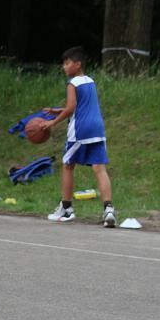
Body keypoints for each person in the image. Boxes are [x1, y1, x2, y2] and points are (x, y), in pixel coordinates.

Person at [29, 46, 115, 227]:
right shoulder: (90, 81)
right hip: (97, 128)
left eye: (67, 63)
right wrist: (57, 111)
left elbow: (71, 108)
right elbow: (81, 105)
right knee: (99, 169)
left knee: (67, 165)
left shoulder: (72, 83)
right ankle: (109, 210)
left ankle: (66, 208)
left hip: (80, 130)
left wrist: (53, 122)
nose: (64, 67)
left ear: (78, 64)